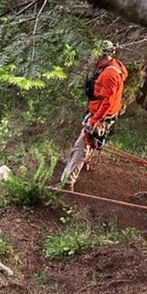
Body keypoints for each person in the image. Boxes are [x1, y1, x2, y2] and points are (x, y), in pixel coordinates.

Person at [60, 40, 128, 190]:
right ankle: (79, 163)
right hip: (99, 113)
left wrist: (94, 121)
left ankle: (67, 183)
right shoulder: (111, 66)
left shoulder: (110, 74)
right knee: (86, 144)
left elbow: (107, 102)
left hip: (101, 117)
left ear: (101, 55)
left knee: (81, 146)